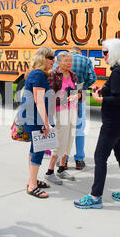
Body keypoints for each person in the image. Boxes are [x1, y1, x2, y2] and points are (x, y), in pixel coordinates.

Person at [74, 38, 120, 209]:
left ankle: (95, 196)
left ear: (114, 52)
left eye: (105, 52)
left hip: (113, 122)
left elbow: (118, 98)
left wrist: (100, 98)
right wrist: (101, 89)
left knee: (100, 157)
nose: (103, 55)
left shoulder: (117, 72)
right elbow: (115, 90)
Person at [18, 46, 55, 199]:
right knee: (39, 149)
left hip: (33, 117)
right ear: (43, 59)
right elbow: (39, 100)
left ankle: (32, 180)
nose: (53, 61)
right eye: (50, 58)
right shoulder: (38, 75)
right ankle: (32, 185)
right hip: (35, 119)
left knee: (35, 148)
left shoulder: (37, 74)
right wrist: (46, 123)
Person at [45, 51, 80, 185]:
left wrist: (78, 96)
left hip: (72, 111)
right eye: (66, 61)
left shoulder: (73, 75)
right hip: (60, 112)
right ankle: (49, 172)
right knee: (60, 140)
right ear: (59, 62)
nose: (69, 63)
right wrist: (65, 99)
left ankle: (61, 168)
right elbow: (50, 97)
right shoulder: (53, 75)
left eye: (71, 60)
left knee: (70, 139)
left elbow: (78, 92)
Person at [69, 46, 97, 170]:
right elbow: (93, 78)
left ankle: (60, 159)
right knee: (79, 128)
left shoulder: (62, 59)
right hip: (80, 95)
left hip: (63, 96)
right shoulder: (85, 60)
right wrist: (82, 88)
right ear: (80, 52)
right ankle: (79, 159)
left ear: (71, 51)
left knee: (63, 128)